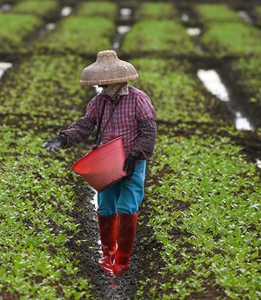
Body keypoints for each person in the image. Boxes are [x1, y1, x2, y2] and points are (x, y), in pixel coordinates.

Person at [43, 50, 157, 276]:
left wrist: (135, 155)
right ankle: (108, 255)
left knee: (127, 207)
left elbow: (148, 131)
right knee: (105, 207)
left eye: (105, 85)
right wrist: (63, 138)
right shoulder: (99, 102)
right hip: (108, 163)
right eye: (101, 86)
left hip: (132, 162)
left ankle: (122, 261)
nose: (102, 89)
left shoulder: (138, 99)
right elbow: (86, 125)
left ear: (117, 81)